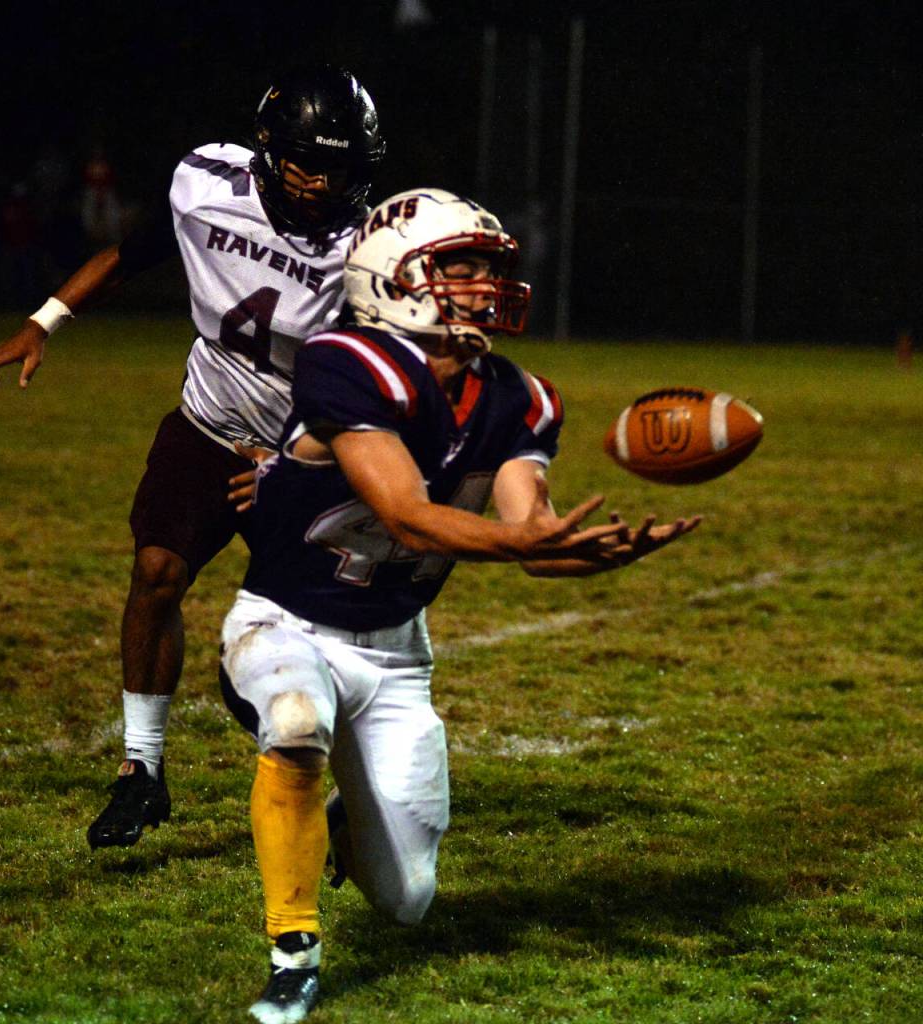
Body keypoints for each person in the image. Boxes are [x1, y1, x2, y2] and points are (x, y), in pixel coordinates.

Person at [218, 187, 702, 1023]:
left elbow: (527, 528)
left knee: (408, 900)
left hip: (398, 653)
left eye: (489, 270)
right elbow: (405, 510)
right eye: (461, 268)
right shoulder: (348, 361)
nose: (483, 286)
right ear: (389, 275)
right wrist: (524, 546)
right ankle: (293, 950)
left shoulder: (523, 397)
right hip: (284, 625)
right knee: (296, 722)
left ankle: (337, 818)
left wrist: (582, 552)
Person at [0, 65, 386, 850]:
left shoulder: (368, 249)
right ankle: (142, 770)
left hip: (303, 457)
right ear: (268, 150)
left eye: (341, 167)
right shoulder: (209, 184)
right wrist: (43, 321)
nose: (325, 182)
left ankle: (348, 786)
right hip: (207, 423)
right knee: (156, 571)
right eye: (308, 162)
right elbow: (131, 254)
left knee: (306, 647)